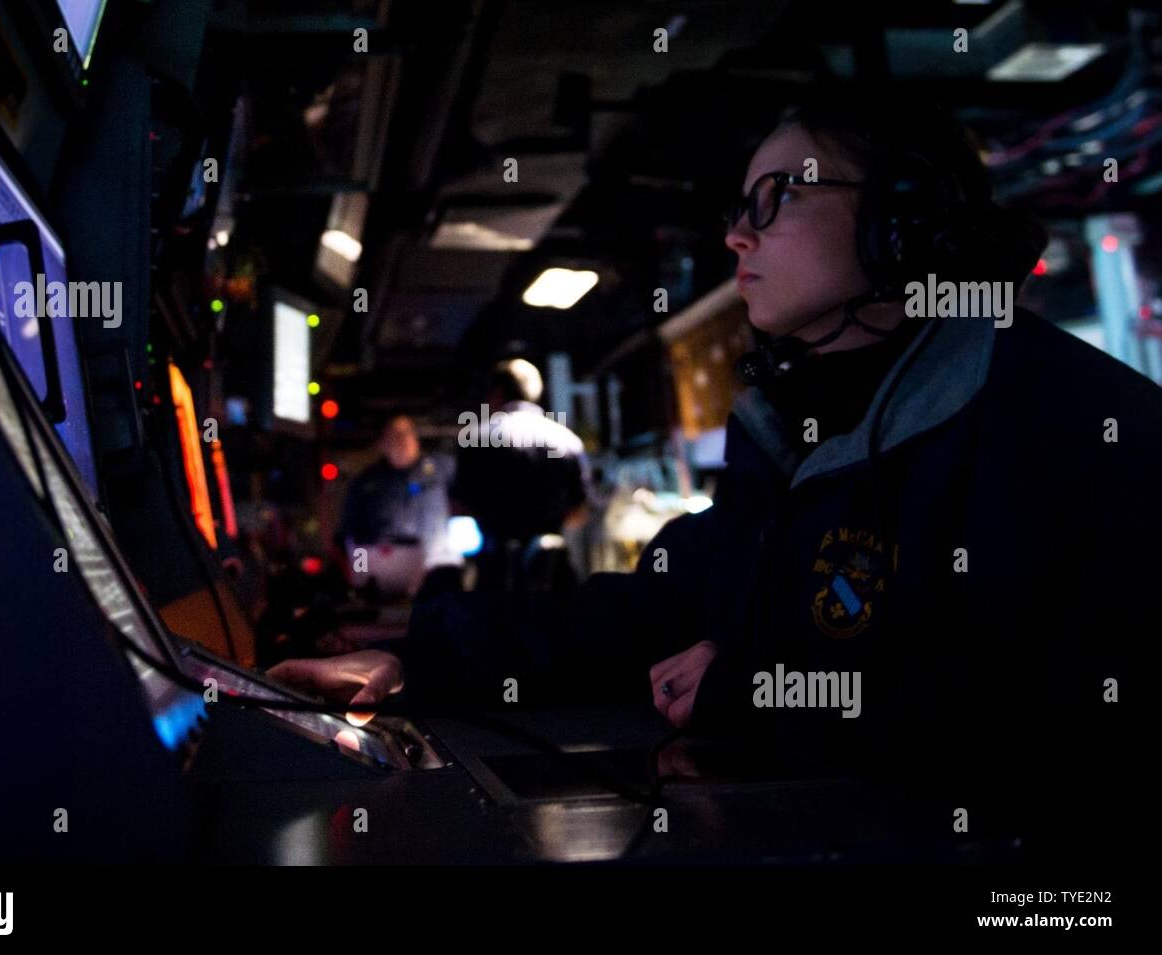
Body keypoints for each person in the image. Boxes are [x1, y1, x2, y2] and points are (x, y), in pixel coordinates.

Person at [272, 90, 1157, 852]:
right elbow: (654, 606)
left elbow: (1062, 711)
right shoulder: (790, 426)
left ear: (904, 213)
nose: (736, 235)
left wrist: (760, 686)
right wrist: (416, 661)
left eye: (774, 198)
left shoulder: (1063, 420)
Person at [449, 358, 591, 590]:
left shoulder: (475, 439)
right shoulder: (567, 440)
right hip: (552, 575)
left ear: (497, 392)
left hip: (494, 576)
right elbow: (579, 511)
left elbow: (459, 507)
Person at [335, 415, 455, 591]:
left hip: (436, 574)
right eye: (395, 435)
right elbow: (351, 538)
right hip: (382, 579)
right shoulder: (366, 483)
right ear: (382, 443)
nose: (403, 440)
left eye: (407, 433)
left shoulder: (440, 469)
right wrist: (360, 577)